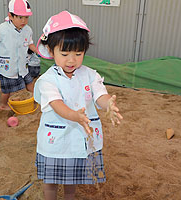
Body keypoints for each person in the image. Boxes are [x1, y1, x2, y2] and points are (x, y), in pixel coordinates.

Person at [34, 11, 123, 200]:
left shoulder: (90, 74)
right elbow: (56, 104)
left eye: (78, 53)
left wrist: (108, 104)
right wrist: (74, 115)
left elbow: (100, 94)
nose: (71, 60)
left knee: (71, 178)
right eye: (64, 53)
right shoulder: (47, 80)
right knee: (50, 180)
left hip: (79, 137)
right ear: (51, 51)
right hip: (55, 140)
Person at [0, 0, 38, 110]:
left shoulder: (27, 30)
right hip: (7, 67)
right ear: (11, 16)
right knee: (8, 90)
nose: (24, 21)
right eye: (20, 17)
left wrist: (39, 51)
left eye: (26, 17)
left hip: (22, 65)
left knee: (29, 82)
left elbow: (30, 43)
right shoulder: (2, 30)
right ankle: (3, 105)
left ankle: (35, 99)